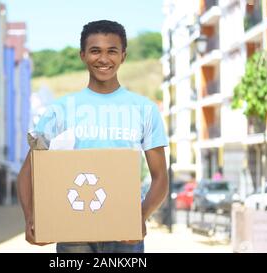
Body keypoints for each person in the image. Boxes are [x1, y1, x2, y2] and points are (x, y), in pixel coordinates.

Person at [17, 20, 168, 253]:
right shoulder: (60, 111)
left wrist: (141, 217)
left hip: (124, 232)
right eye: (95, 51)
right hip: (72, 232)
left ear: (123, 56)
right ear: (82, 55)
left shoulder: (145, 110)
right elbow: (30, 170)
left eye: (112, 51)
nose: (104, 59)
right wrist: (30, 218)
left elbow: (160, 178)